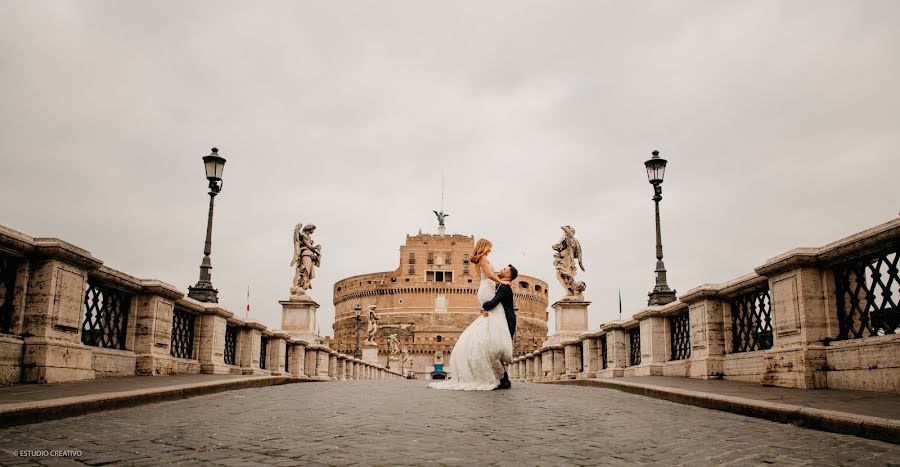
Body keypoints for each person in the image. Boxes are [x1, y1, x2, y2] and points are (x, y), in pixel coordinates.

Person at [428, 239, 515, 391]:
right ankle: (501, 379)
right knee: (490, 333)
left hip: (484, 290)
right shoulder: (484, 259)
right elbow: (488, 274)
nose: (491, 249)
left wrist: (484, 305)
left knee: (486, 333)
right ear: (485, 246)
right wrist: (502, 282)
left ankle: (500, 378)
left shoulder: (478, 261)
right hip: (487, 290)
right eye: (490, 246)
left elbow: (482, 277)